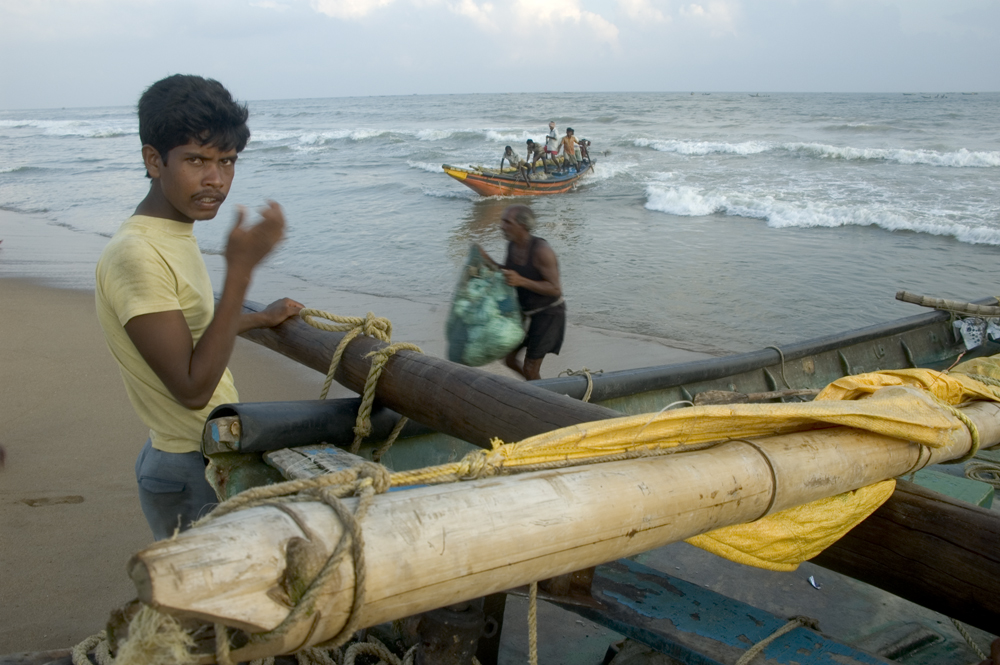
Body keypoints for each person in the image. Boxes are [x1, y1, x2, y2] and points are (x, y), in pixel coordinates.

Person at [95, 74, 304, 540]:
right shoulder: (137, 254)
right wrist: (241, 272)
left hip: (202, 452)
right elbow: (191, 387)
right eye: (196, 160)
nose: (216, 179)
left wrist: (257, 318)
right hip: (191, 463)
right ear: (154, 159)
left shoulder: (171, 232)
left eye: (227, 162)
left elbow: (188, 332)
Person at [479, 205, 565, 380]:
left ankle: (543, 401)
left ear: (522, 226)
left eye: (507, 222)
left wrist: (521, 281)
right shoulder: (512, 246)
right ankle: (536, 390)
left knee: (530, 367)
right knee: (509, 359)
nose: (501, 226)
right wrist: (487, 261)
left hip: (549, 314)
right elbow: (510, 274)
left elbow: (555, 289)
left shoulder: (541, 251)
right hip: (525, 313)